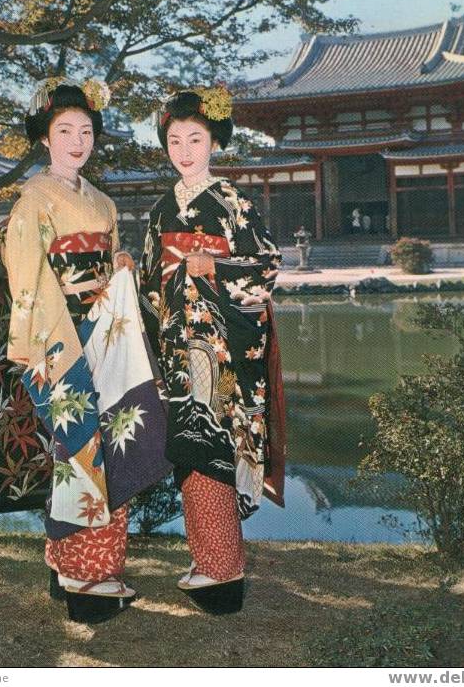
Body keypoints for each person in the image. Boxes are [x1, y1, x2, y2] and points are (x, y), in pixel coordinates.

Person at [0, 79, 171, 624]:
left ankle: (68, 564)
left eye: (85, 131)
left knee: (110, 441)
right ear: (45, 139)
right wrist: (57, 348)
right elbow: (28, 279)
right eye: (64, 131)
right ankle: (85, 577)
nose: (77, 140)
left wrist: (120, 265)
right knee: (80, 449)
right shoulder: (33, 199)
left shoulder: (100, 201)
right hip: (53, 338)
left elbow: (101, 268)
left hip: (100, 335)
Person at [138, 84, 286, 614]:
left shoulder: (231, 200)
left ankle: (224, 572)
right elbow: (151, 286)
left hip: (223, 349)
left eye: (194, 138)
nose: (184, 149)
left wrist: (215, 266)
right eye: (174, 139)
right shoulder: (160, 210)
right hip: (177, 346)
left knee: (218, 445)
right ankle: (208, 561)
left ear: (214, 142)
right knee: (190, 446)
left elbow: (267, 267)